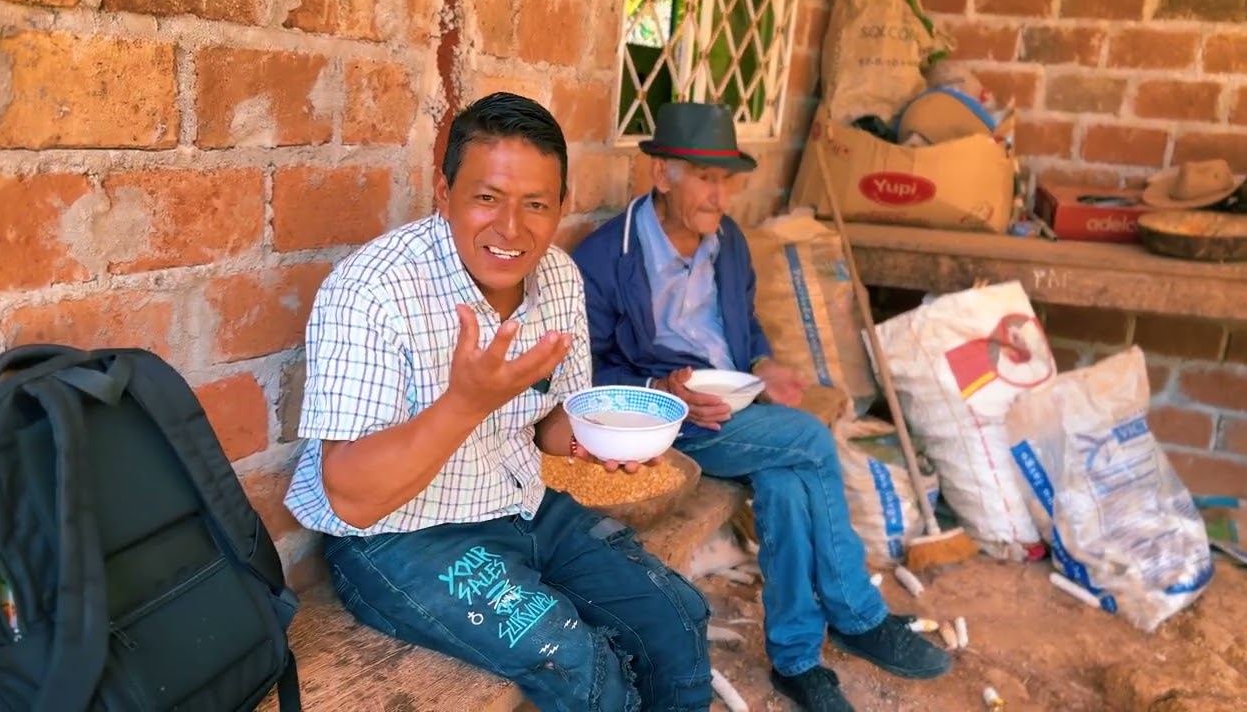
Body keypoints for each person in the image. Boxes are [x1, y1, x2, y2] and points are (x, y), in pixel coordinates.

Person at [284, 92, 713, 712]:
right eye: (487, 198)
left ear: (560, 206)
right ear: (444, 191)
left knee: (675, 616)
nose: (512, 229)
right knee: (577, 659)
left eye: (535, 204)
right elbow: (352, 497)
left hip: (520, 505)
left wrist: (598, 439)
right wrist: (464, 403)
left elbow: (548, 425)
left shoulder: (560, 277)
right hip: (399, 539)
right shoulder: (371, 290)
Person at [571, 102, 952, 712]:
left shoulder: (729, 244)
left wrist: (762, 366)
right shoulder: (602, 260)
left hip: (738, 410)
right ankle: (857, 613)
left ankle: (797, 660)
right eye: (704, 177)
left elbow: (741, 327)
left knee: (787, 482)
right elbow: (586, 372)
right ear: (662, 175)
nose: (719, 196)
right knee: (809, 441)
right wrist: (663, 392)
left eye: (726, 180)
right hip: (673, 422)